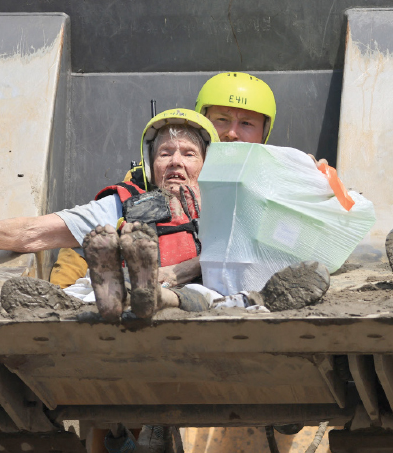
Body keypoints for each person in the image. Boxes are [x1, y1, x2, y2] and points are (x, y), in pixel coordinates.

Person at [0, 108, 329, 322]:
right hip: (119, 297)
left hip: (196, 298)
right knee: (87, 283)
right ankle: (100, 290)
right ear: (149, 162)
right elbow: (34, 233)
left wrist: (311, 178)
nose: (175, 163)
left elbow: (297, 230)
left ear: (208, 163)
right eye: (164, 154)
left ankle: (144, 291)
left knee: (208, 296)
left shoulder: (233, 201)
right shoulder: (125, 204)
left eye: (188, 154)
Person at [50, 71, 278, 290]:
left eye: (247, 123)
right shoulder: (148, 179)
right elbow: (90, 229)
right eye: (221, 119)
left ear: (263, 134)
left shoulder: (275, 183)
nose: (231, 133)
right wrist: (63, 291)